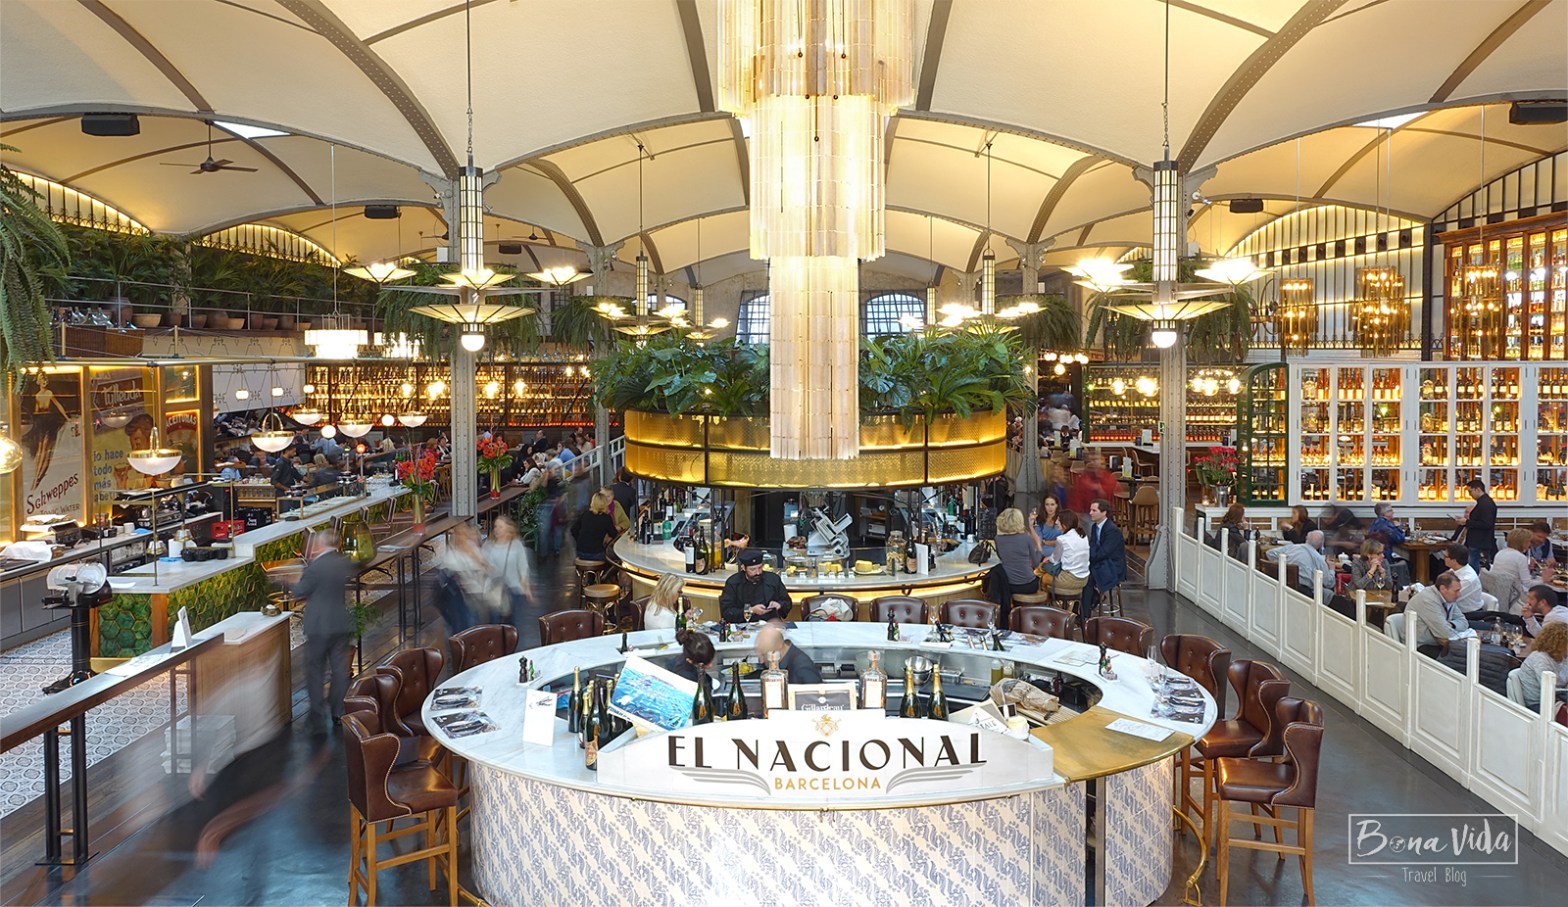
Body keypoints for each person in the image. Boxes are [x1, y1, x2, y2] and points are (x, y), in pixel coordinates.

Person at [294, 529, 353, 734]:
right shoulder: (342, 562)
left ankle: (317, 717)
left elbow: (300, 591)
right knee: (339, 670)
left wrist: (288, 580)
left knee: (315, 671)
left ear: (320, 545)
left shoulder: (316, 567)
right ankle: (338, 712)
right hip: (340, 623)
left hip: (319, 627)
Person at [435, 522, 493, 629]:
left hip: (476, 594)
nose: (465, 538)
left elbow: (486, 568)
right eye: (462, 535)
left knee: (474, 622)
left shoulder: (473, 548)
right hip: (461, 598)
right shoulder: (452, 555)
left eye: (465, 535)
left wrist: (478, 560)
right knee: (464, 624)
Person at [989, 507, 1043, 623]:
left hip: (1009, 585)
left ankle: (1014, 619)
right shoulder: (1026, 538)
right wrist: (1039, 547)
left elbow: (1002, 558)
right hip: (1028, 585)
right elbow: (1036, 563)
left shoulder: (998, 539)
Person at [484, 515, 533, 628]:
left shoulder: (516, 545)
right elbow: (485, 565)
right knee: (494, 623)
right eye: (495, 526)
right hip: (495, 590)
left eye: (500, 527)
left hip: (514, 590)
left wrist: (525, 584)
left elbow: (522, 565)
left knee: (512, 624)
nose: (497, 529)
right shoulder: (489, 545)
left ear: (508, 528)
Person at [1407, 571, 1470, 658]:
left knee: (1466, 655)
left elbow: (1464, 623)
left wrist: (1451, 624)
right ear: (1443, 589)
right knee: (1462, 659)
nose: (1459, 594)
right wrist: (1445, 628)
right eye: (1456, 591)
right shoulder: (1428, 600)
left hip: (1440, 643)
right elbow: (1445, 634)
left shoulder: (1448, 597)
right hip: (1420, 647)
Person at [720, 548, 792, 623]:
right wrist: (751, 610)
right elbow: (727, 612)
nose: (758, 572)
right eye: (753, 569)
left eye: (760, 568)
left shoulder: (773, 579)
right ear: (743, 568)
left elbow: (787, 603)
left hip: (770, 624)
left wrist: (779, 605)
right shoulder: (733, 583)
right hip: (743, 625)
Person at [1083, 499, 1126, 622]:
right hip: (1100, 562)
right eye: (1090, 510)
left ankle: (1084, 615)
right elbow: (1092, 547)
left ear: (1104, 513)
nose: (1090, 513)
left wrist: (1088, 556)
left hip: (1112, 566)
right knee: (1080, 572)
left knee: (1087, 578)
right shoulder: (1094, 527)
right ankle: (1091, 600)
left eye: (1094, 510)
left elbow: (1104, 552)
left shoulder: (1112, 530)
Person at [1516, 623, 1568, 711]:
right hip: (1539, 704)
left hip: (1555, 700)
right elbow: (1551, 687)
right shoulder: (1540, 658)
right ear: (1559, 643)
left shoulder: (1563, 656)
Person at [1487, 528, 1534, 616]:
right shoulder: (1521, 557)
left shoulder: (1500, 553)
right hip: (1515, 595)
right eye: (1529, 541)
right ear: (1523, 543)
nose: (1530, 544)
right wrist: (1544, 580)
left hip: (1499, 591)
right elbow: (1527, 583)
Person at [753, 624, 822, 684]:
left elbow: (815, 694)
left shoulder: (802, 668)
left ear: (779, 646)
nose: (761, 661)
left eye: (764, 655)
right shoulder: (781, 662)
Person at [1270, 530, 1332, 596]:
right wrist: (1331, 569)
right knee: (1329, 594)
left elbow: (1270, 553)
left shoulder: (1291, 547)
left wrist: (1282, 563)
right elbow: (1329, 583)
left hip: (1283, 586)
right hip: (1305, 593)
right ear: (1321, 544)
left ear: (1306, 538)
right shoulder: (1318, 558)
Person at [1455, 479, 1497, 570]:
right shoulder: (1483, 502)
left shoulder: (1486, 504)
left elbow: (1486, 524)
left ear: (1478, 489)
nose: (1470, 495)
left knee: (1475, 569)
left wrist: (1466, 522)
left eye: (1470, 491)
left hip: (1480, 542)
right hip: (1477, 542)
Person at [1051, 509, 1090, 601]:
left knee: (1043, 578)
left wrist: (1047, 559)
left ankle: (1053, 606)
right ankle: (1069, 607)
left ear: (1065, 524)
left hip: (1069, 579)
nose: (1056, 522)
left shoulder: (1062, 539)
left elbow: (1054, 560)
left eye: (1058, 520)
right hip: (1084, 579)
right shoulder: (1083, 536)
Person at [1439, 543, 1486, 616]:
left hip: (1469, 614)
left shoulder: (1467, 579)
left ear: (1454, 561)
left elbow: (1447, 598)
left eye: (1445, 556)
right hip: (1455, 610)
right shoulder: (1454, 569)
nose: (1443, 558)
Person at [572, 489, 618, 561]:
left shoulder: (585, 514)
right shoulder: (606, 518)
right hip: (596, 553)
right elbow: (614, 534)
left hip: (580, 552)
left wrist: (580, 540)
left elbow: (573, 529)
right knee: (615, 558)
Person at [670, 629, 716, 693]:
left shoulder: (682, 660)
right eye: (705, 664)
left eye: (711, 660)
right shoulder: (687, 679)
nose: (711, 665)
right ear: (689, 660)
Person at [1035, 493, 1064, 559]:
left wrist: (1046, 542)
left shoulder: (1062, 519)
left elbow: (1064, 541)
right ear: (1044, 506)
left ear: (1057, 505)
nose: (1050, 507)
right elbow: (1038, 540)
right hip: (1042, 552)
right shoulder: (1039, 519)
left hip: (1059, 553)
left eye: (1052, 504)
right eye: (1047, 504)